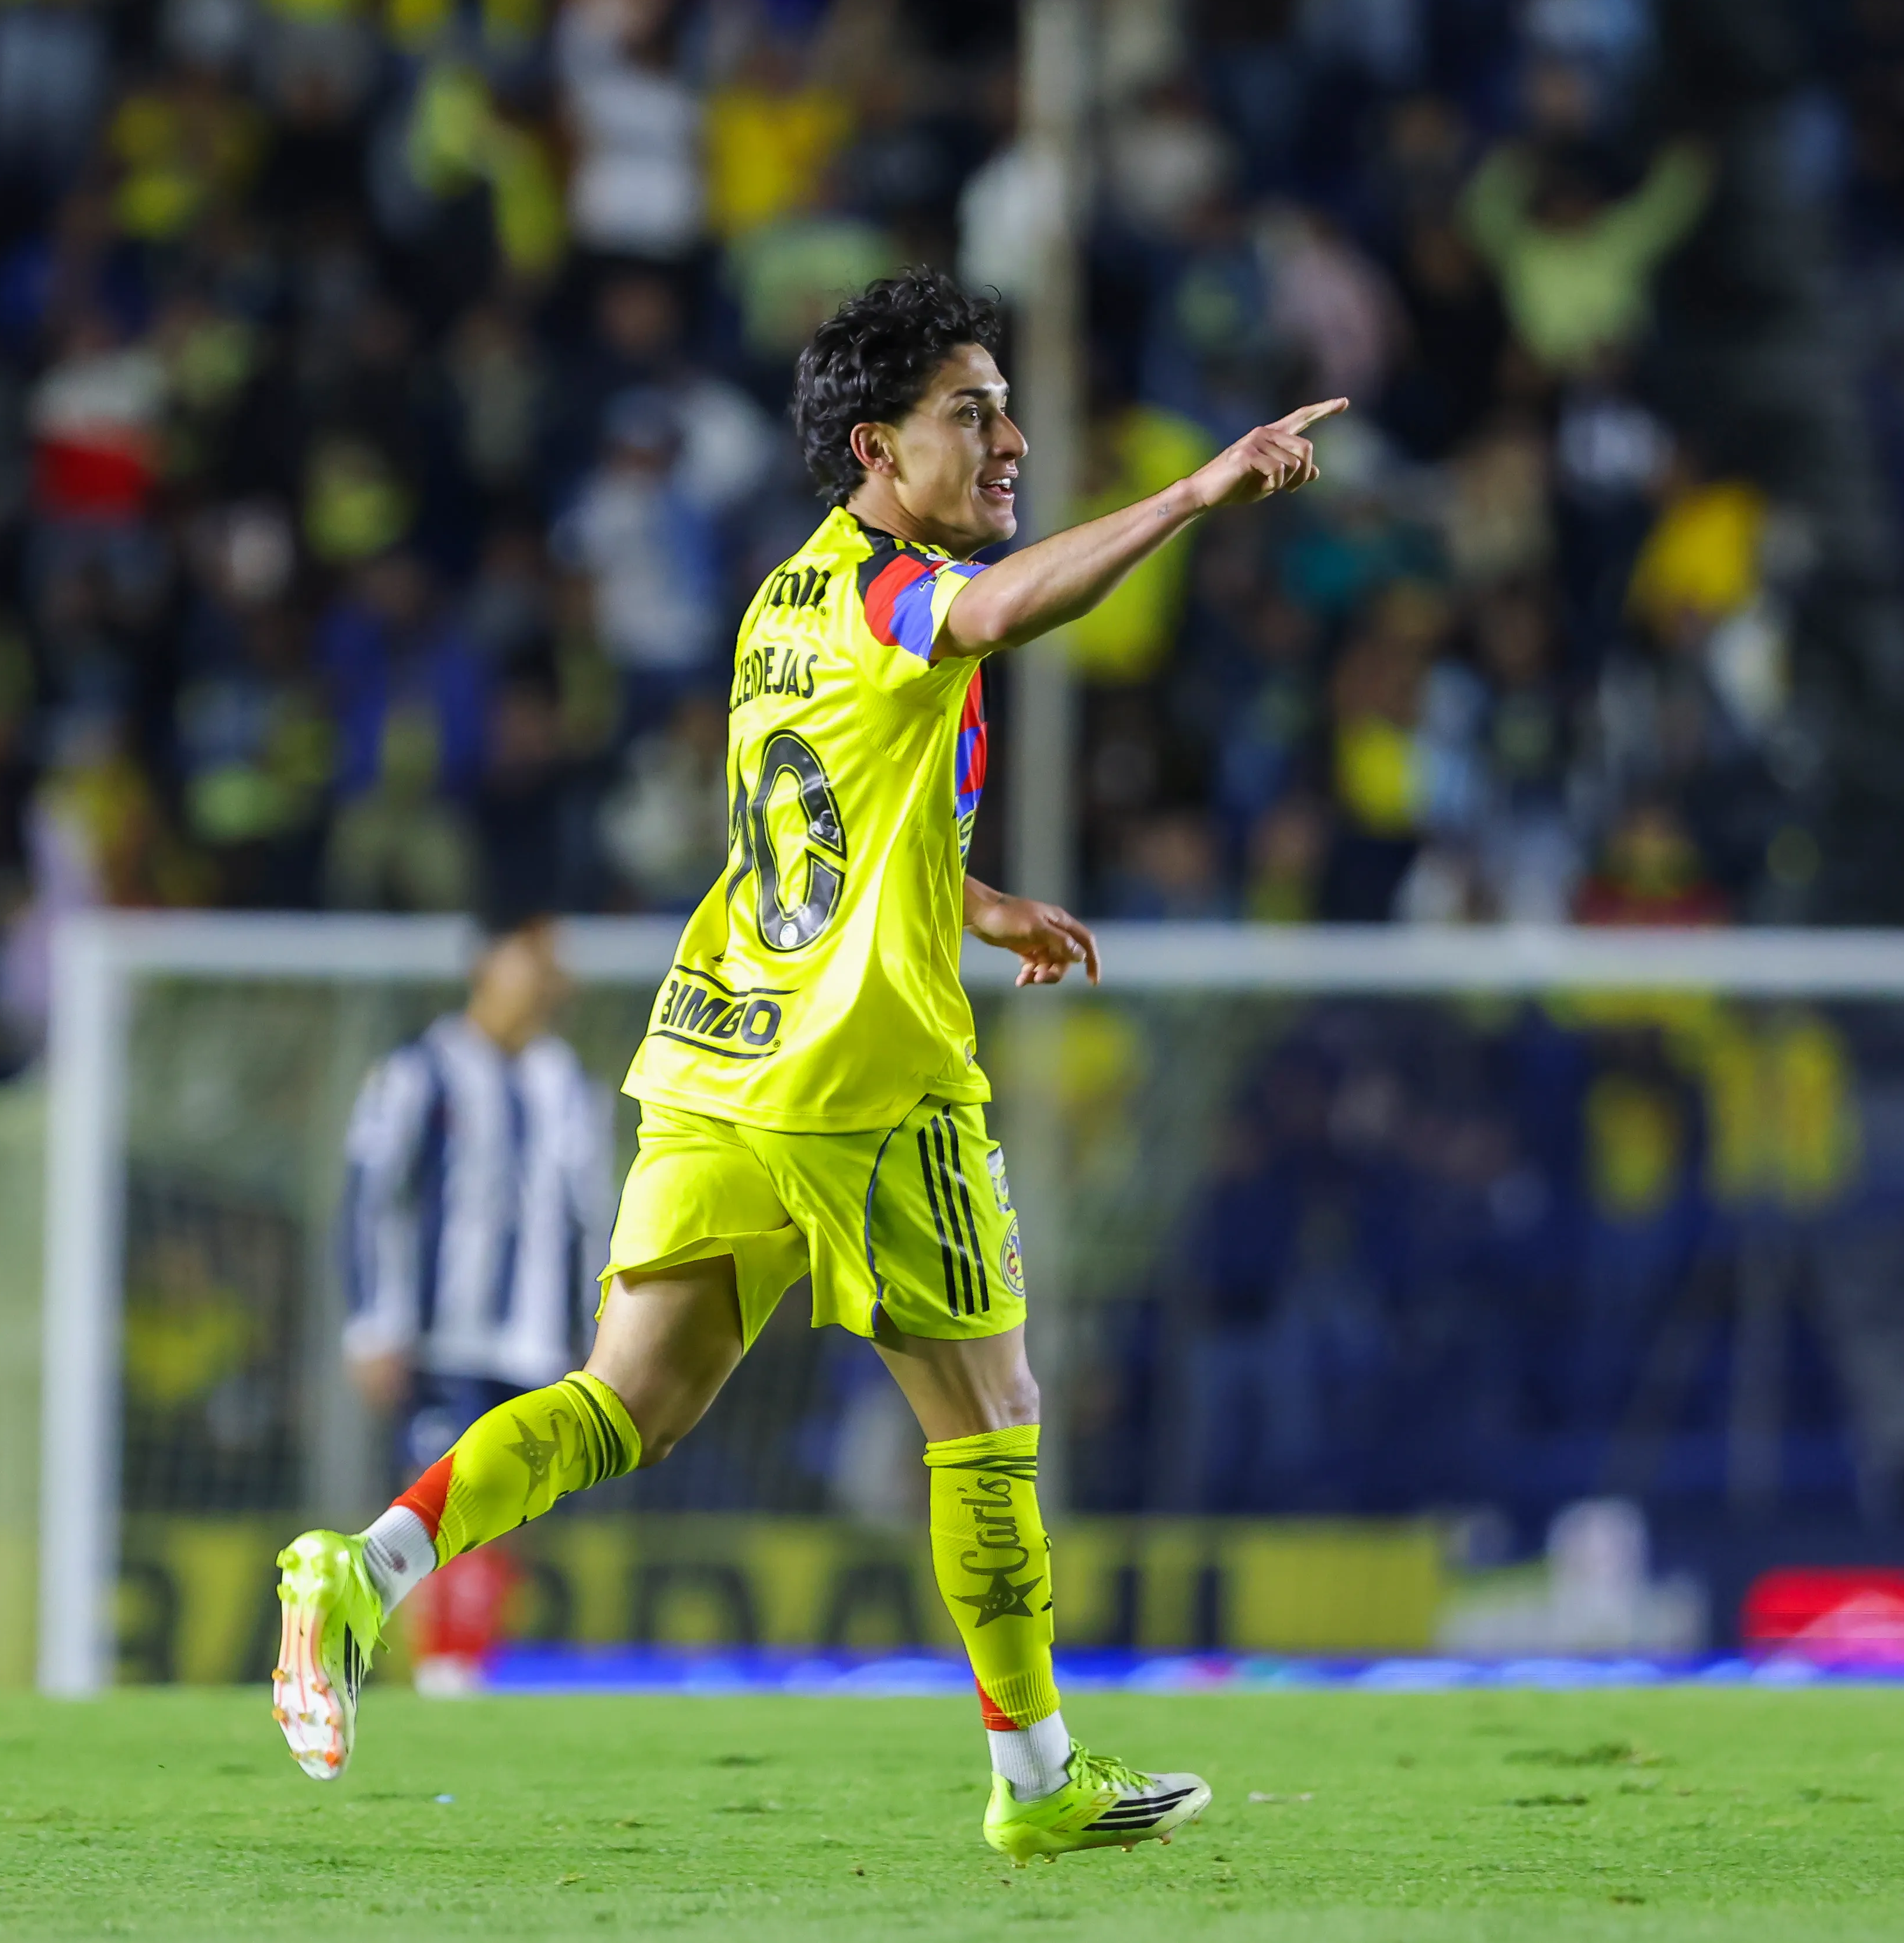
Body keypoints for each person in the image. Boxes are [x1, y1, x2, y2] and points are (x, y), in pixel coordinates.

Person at [270, 270, 1344, 1862]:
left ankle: (360, 1568)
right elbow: (984, 615)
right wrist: (1197, 487)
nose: (1008, 441)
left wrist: (971, 900)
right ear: (873, 447)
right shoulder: (892, 590)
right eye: (966, 414)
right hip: (871, 1077)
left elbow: (814, 820)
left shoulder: (777, 604)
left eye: (1002, 408)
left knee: (618, 1404)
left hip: (717, 1054)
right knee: (988, 1410)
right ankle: (1036, 1777)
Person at [337, 903, 611, 1689]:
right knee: (453, 1505)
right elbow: (367, 1198)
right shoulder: (418, 1071)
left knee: (503, 1517)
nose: (553, 978)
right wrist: (370, 1322)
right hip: (441, 1339)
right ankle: (446, 1677)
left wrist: (603, 1322)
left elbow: (595, 1215)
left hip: (536, 1342)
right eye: (536, 956)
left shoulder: (568, 1083)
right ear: (488, 963)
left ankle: (458, 1673)